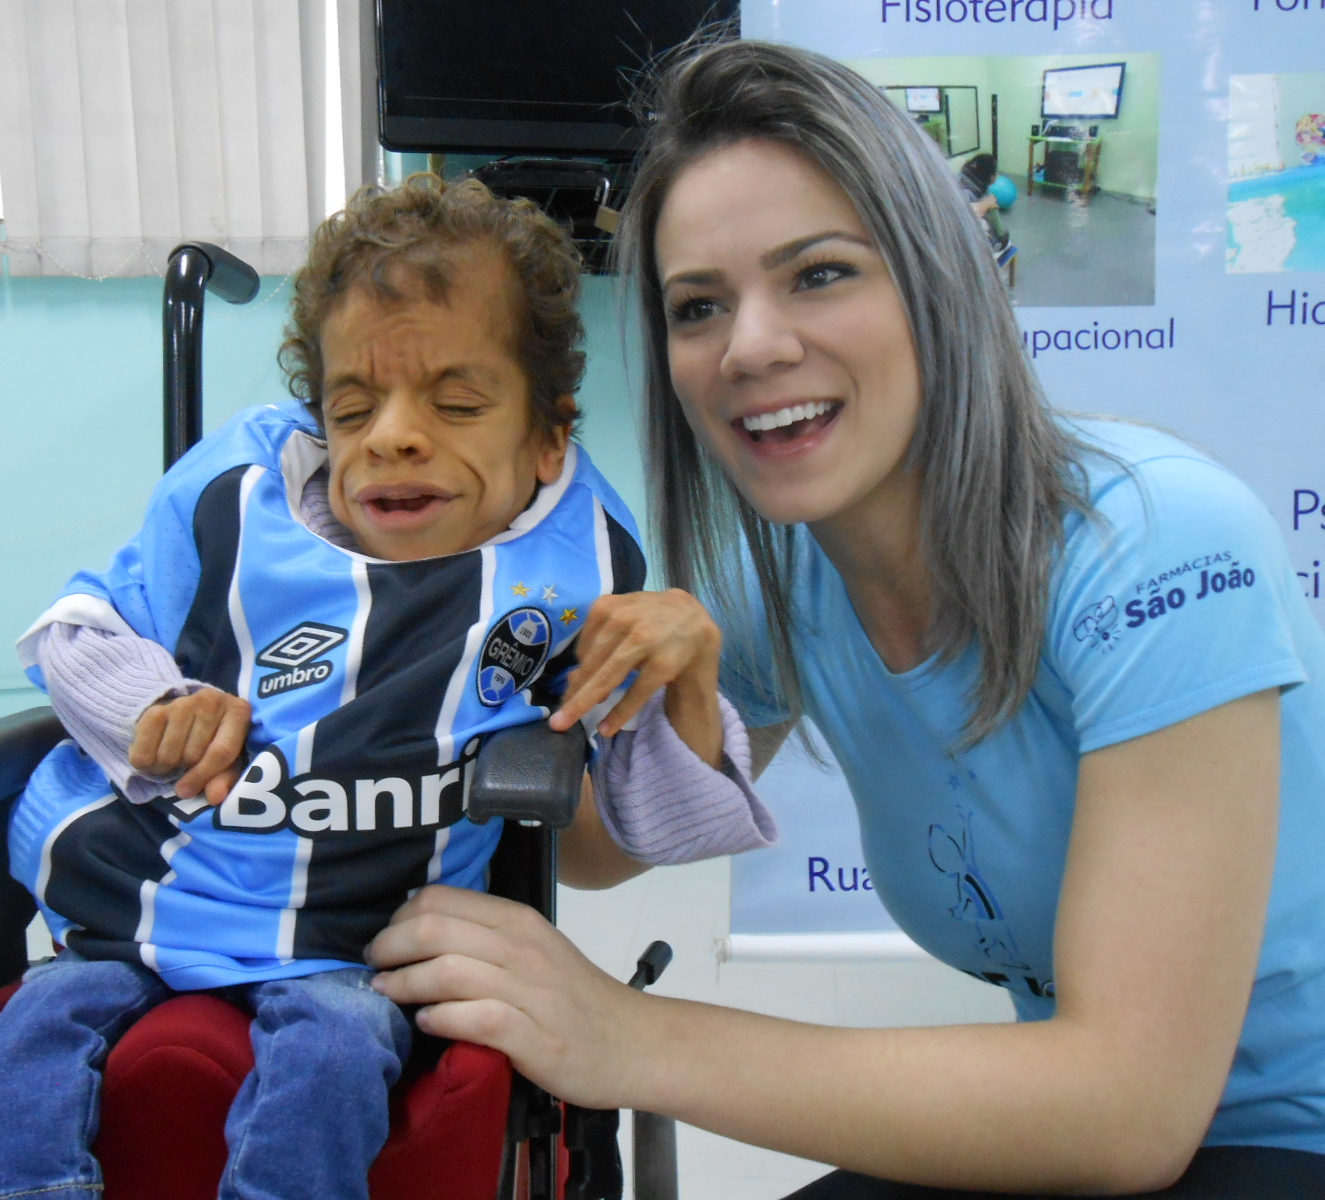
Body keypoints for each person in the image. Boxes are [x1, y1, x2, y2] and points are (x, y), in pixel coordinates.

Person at [367, 41, 1325, 1198]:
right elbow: (597, 851)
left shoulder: (1162, 545)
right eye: (698, 305)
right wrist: (478, 617)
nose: (752, 346)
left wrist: (628, 1039)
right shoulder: (787, 577)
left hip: (1269, 1136)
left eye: (818, 274)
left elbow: (1127, 1112)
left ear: (937, 281)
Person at [0, 175, 774, 1200]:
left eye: (457, 403)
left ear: (548, 434)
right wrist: (154, 711)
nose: (393, 435)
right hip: (148, 907)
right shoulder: (232, 503)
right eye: (351, 407)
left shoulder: (573, 571)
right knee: (6, 1072)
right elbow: (80, 631)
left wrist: (684, 673)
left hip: (361, 946)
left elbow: (661, 820)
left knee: (333, 1064)